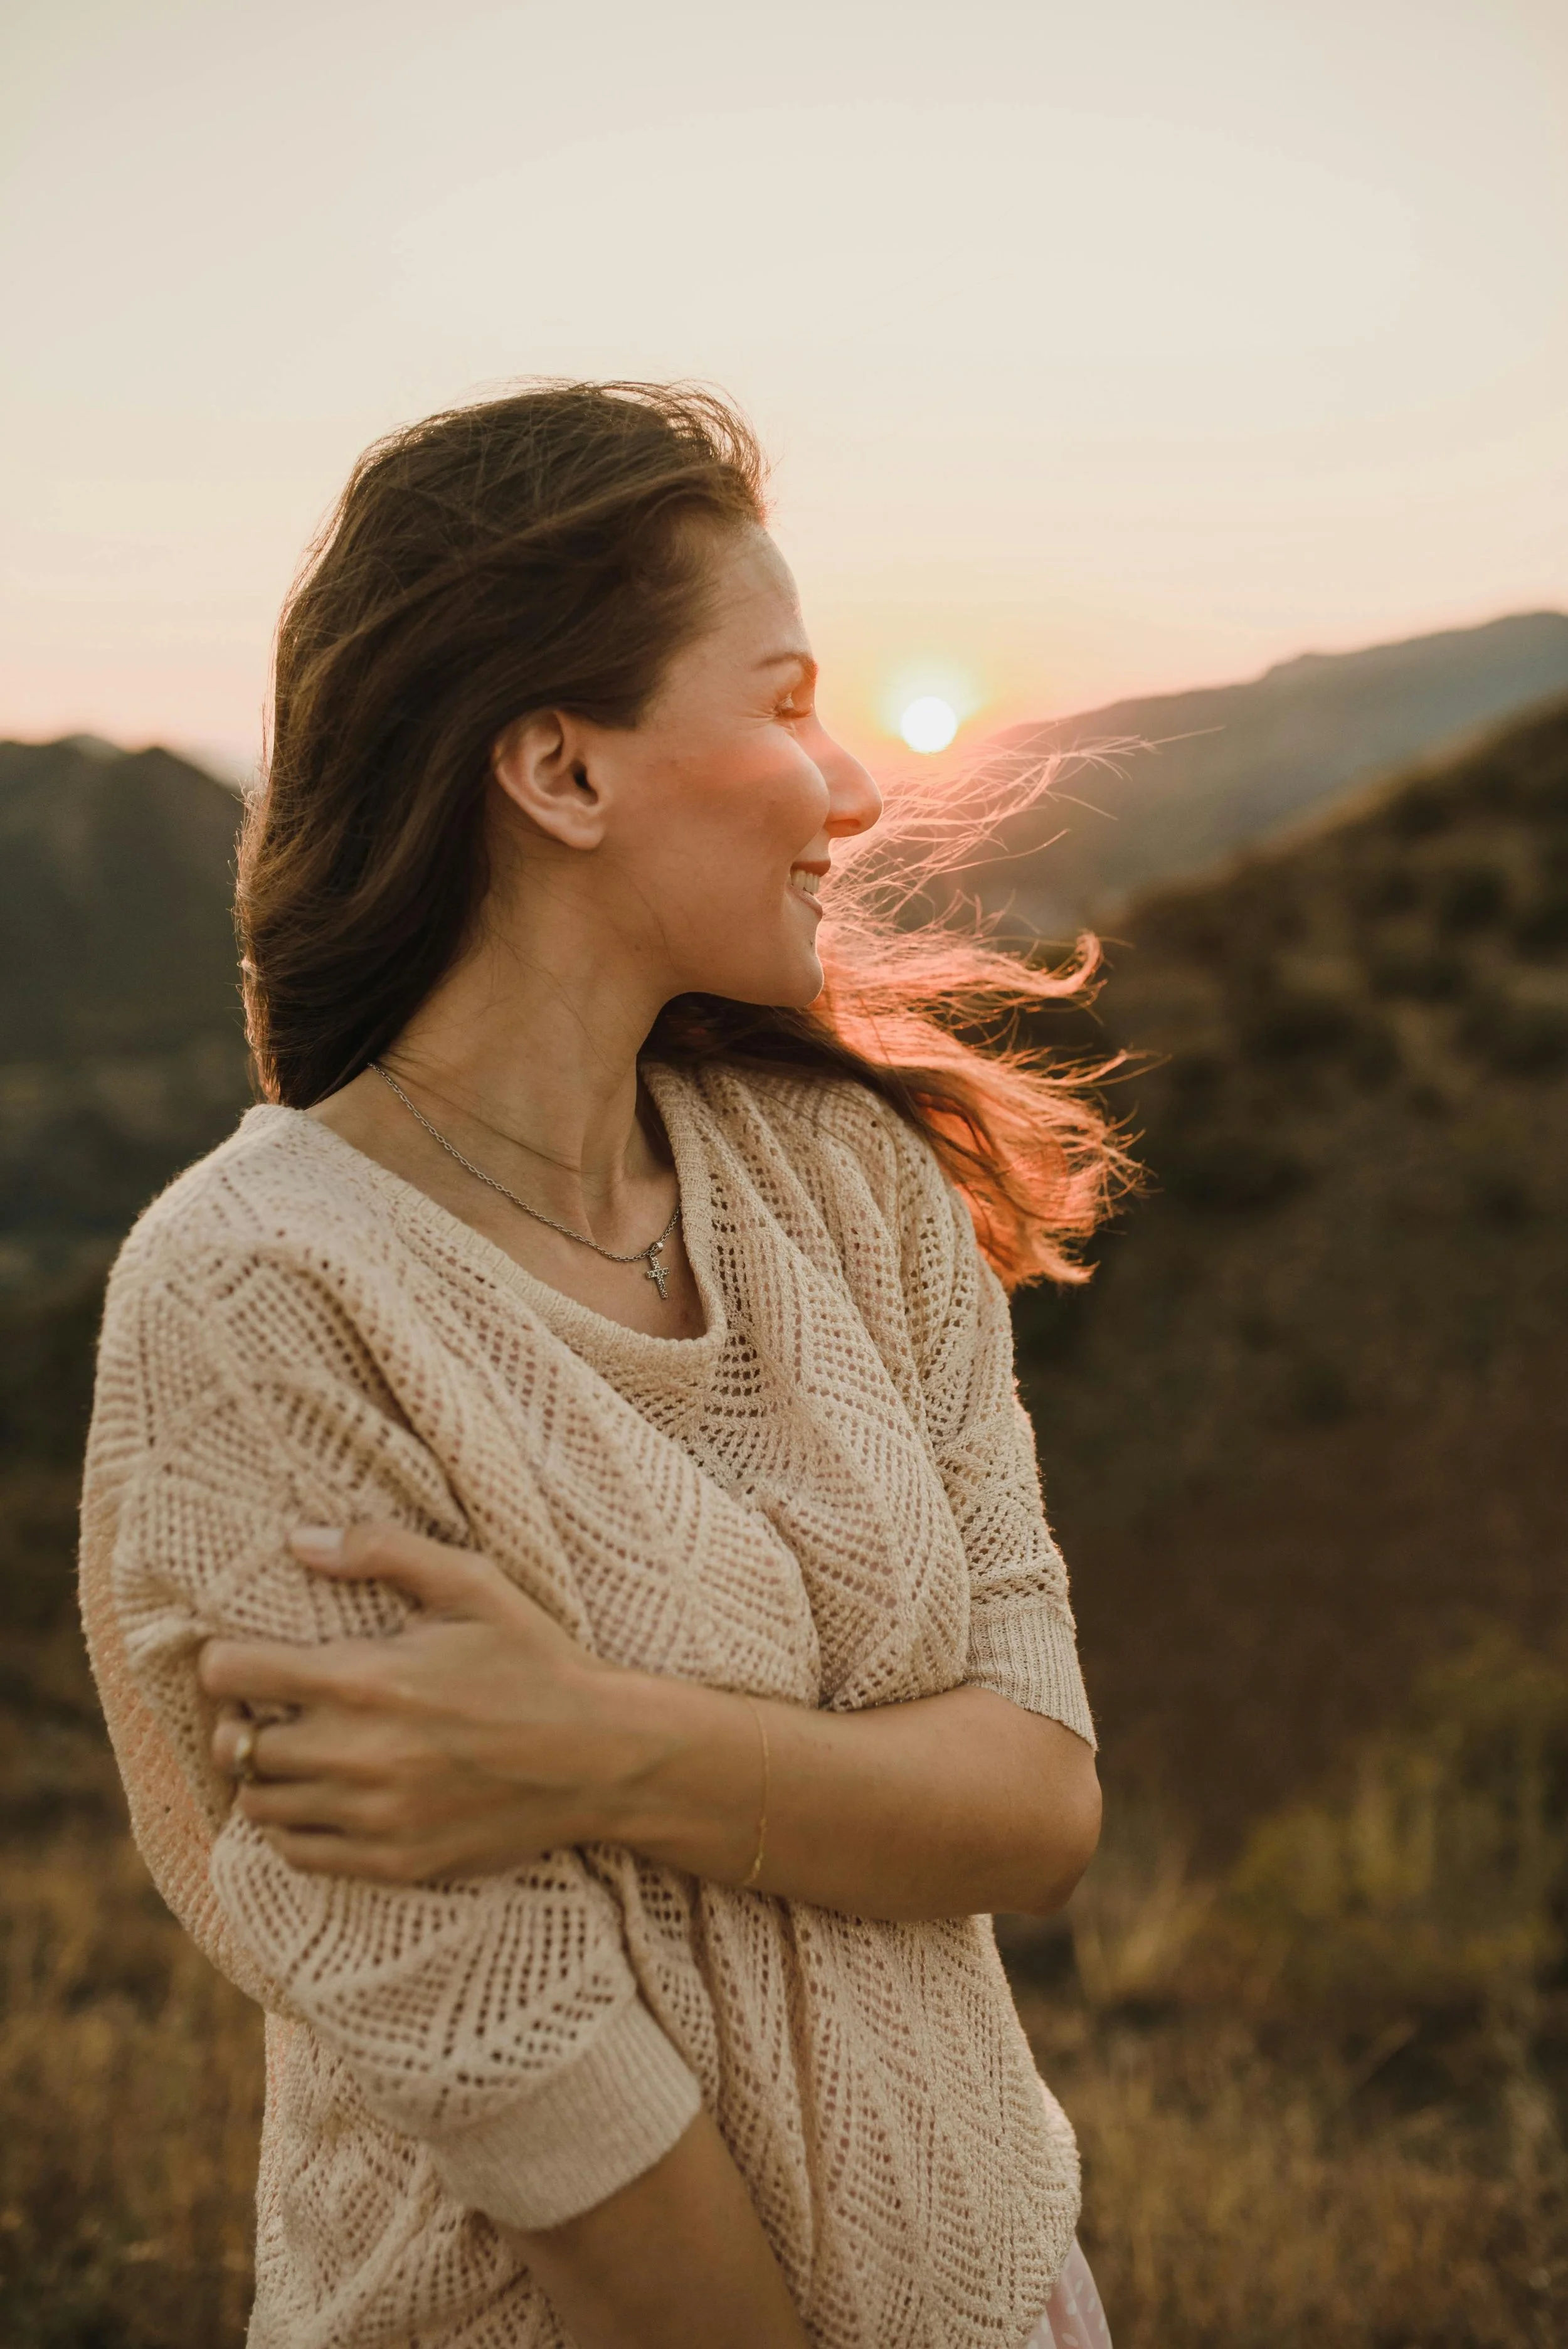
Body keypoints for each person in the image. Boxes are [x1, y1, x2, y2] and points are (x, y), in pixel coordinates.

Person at [79, 382, 1123, 2349]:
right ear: (561, 771)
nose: (852, 791)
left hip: (1009, 2294)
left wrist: (585, 1748)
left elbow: (1039, 1806)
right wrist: (830, 1782)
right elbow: (527, 2072)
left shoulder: (849, 1183)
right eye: (784, 702)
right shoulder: (259, 1300)